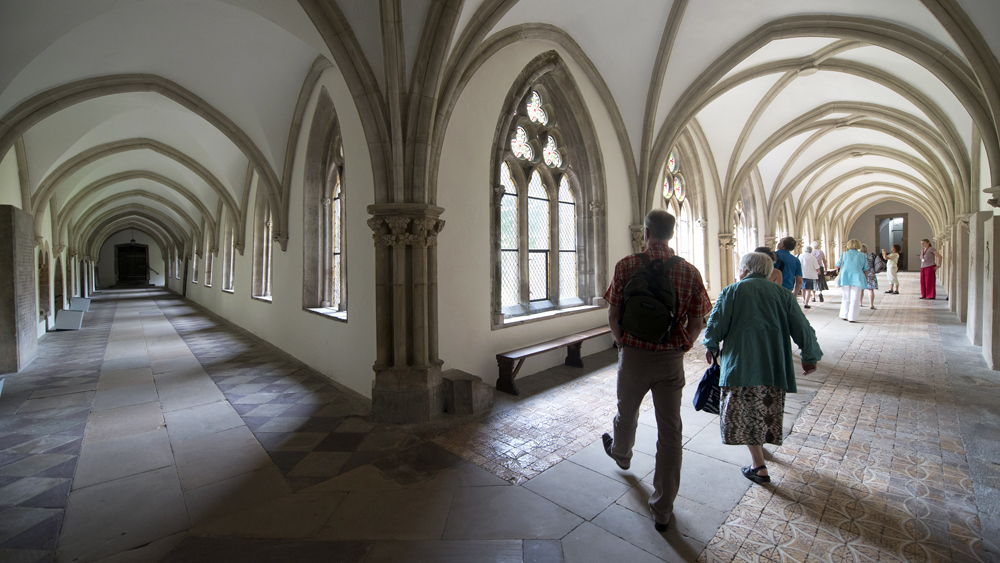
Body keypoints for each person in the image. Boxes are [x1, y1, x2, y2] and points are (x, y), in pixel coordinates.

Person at [602, 209, 712, 533]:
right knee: (670, 433)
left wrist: (624, 344)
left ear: (646, 233)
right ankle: (662, 509)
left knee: (626, 412)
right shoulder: (689, 272)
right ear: (671, 234)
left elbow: (612, 315)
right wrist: (681, 348)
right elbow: (698, 322)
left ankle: (622, 454)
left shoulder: (626, 265)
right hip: (669, 362)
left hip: (633, 356)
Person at [703, 252, 822, 484]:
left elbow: (715, 325)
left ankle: (759, 466)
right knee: (763, 411)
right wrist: (810, 356)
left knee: (745, 413)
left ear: (745, 270)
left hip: (741, 364)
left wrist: (711, 345)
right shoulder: (782, 294)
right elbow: (803, 327)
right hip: (772, 364)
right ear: (767, 272)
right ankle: (758, 457)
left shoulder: (732, 291)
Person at [836, 239, 869, 322]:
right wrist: (866, 279)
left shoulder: (844, 254)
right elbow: (866, 268)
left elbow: (837, 266)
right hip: (857, 278)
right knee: (855, 298)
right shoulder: (862, 255)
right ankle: (852, 317)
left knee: (845, 297)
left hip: (845, 277)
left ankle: (844, 315)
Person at [860, 244, 878, 310]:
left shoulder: (860, 256)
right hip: (871, 273)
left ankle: (860, 303)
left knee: (861, 290)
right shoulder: (872, 255)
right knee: (871, 290)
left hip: (862, 273)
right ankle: (871, 305)